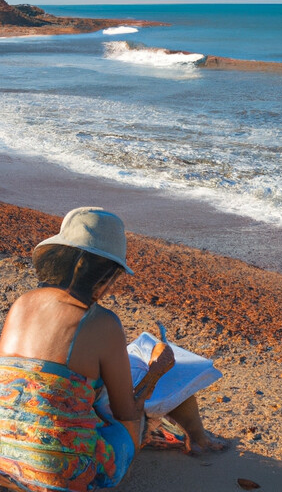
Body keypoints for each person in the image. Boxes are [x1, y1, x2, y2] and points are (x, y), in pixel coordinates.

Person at [0, 207, 223, 492]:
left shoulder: (22, 303)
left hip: (5, 465)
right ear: (106, 274)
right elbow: (126, 411)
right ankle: (170, 440)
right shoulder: (101, 321)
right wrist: (156, 372)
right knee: (133, 423)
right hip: (62, 479)